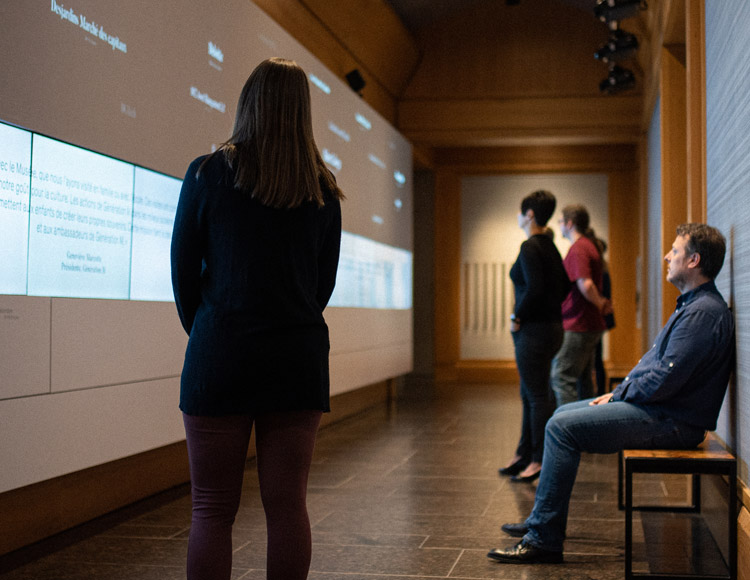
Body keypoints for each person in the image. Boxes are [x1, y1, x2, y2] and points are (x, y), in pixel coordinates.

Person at [170, 58, 344, 580]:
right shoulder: (321, 190)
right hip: (296, 358)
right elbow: (322, 286)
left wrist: (207, 330)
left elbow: (182, 272)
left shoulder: (207, 174)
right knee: (287, 505)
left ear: (248, 102)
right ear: (302, 113)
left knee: (211, 509)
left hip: (220, 354)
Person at [488, 223, 735, 564]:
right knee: (560, 416)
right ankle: (541, 522)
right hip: (664, 411)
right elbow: (654, 366)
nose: (667, 256)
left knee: (561, 428)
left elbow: (665, 378)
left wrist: (620, 395)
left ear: (694, 260)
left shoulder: (703, 313)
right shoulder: (694, 306)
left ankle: (544, 538)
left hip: (673, 421)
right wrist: (621, 392)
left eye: (675, 251)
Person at [499, 190, 571, 483]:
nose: (519, 217)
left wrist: (518, 315)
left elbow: (535, 288)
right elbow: (564, 288)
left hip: (534, 331)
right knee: (531, 393)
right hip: (553, 329)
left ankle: (539, 459)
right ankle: (524, 454)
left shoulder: (530, 246)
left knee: (538, 395)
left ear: (529, 215)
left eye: (521, 212)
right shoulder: (551, 247)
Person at [550, 205, 611, 406]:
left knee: (561, 375)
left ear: (569, 223)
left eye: (560, 221)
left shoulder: (578, 248)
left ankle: (567, 427)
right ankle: (585, 426)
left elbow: (585, 284)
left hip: (579, 322)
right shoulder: (588, 245)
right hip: (588, 322)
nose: (559, 226)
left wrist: (600, 302)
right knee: (583, 380)